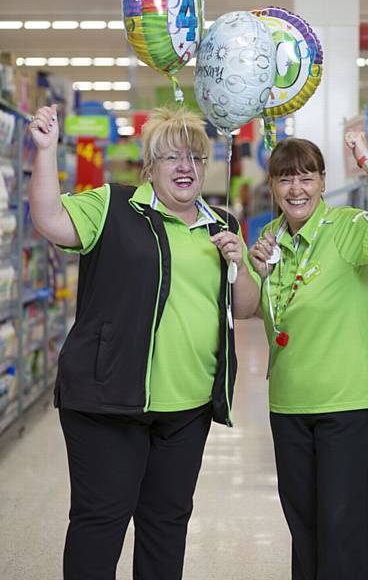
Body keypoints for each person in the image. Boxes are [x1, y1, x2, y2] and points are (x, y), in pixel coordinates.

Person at [28, 104, 260, 580]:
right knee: (101, 524)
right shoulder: (112, 206)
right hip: (108, 402)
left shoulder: (223, 225)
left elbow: (245, 307)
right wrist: (46, 152)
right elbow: (50, 220)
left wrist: (238, 261)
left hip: (187, 408)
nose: (185, 168)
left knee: (166, 526)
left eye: (195, 158)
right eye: (172, 157)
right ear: (149, 167)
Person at [249, 134, 368, 580]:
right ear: (273, 187)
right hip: (289, 402)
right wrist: (254, 270)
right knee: (304, 525)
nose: (295, 189)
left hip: (347, 403)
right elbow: (260, 310)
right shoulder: (268, 237)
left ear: (321, 181)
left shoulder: (346, 226)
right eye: (285, 179)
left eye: (305, 177)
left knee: (343, 524)